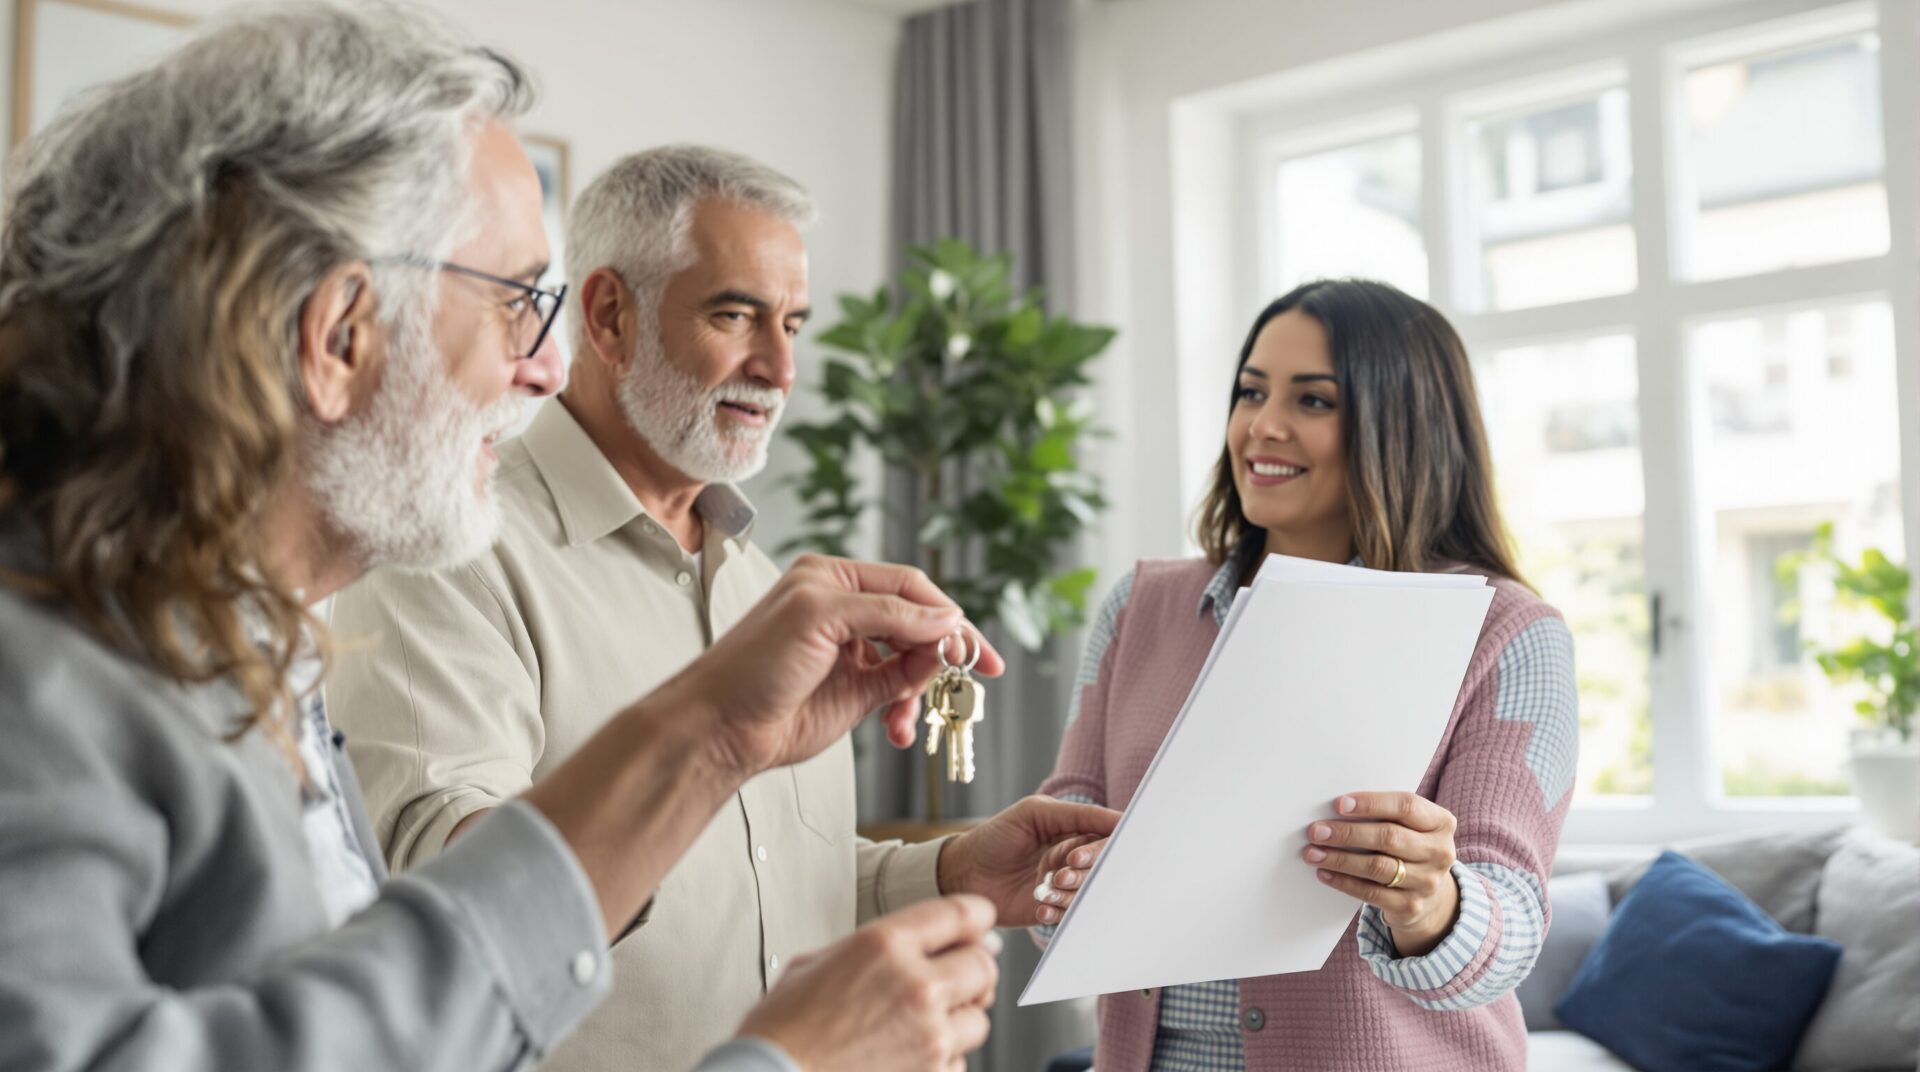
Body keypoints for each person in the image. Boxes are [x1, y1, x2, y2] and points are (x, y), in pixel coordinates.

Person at [0, 5, 1007, 1070]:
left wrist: (742, 752)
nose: (546, 366)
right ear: (340, 335)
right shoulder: (43, 680)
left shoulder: (249, 655)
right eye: (518, 300)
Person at [326, 143, 1120, 1071]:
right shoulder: (449, 555)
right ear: (610, 316)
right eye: (735, 314)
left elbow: (774, 885)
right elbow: (452, 903)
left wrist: (951, 871)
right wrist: (701, 744)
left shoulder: (765, 586)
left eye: (794, 323)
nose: (781, 367)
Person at [1030, 280, 1579, 1071]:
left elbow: (1512, 928)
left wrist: (1433, 902)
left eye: (1313, 401)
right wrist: (1065, 880)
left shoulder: (1507, 633)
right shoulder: (1139, 607)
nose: (1263, 425)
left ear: (1403, 428)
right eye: (1251, 392)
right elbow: (1064, 825)